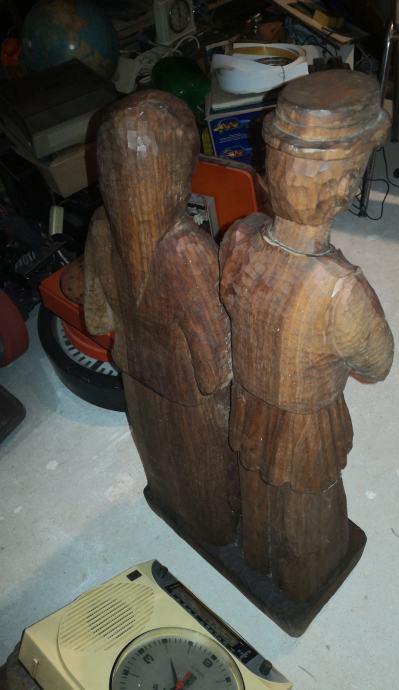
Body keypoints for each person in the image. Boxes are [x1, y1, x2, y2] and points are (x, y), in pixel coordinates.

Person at [220, 71, 394, 600]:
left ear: (270, 173)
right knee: (308, 506)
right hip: (305, 425)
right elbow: (378, 364)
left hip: (250, 404)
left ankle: (257, 554)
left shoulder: (240, 238)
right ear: (344, 187)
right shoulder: (341, 290)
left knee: (257, 485)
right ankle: (304, 580)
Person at [84, 90, 239, 546]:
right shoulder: (187, 251)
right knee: (206, 480)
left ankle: (180, 511)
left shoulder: (99, 225)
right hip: (191, 396)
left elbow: (96, 317)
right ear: (178, 175)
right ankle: (216, 530)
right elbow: (217, 369)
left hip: (136, 376)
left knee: (160, 459)